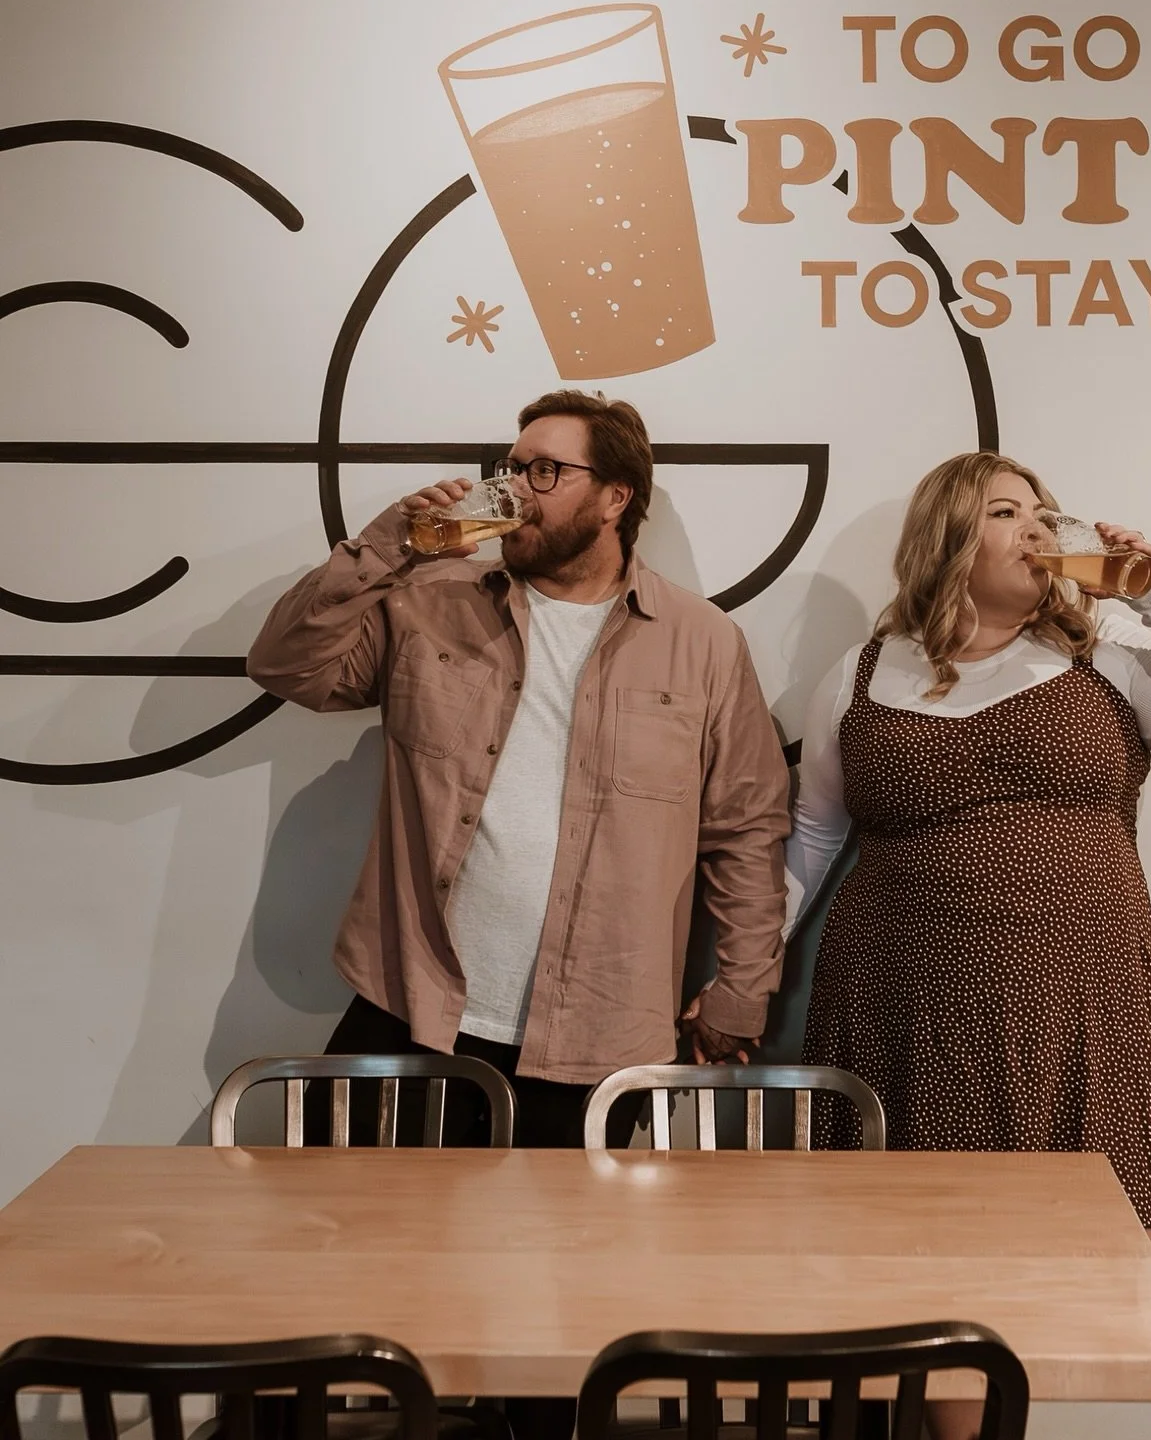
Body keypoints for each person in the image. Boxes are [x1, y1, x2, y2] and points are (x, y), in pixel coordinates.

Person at [787, 451, 1151, 1434]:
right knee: (931, 1307)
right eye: (1009, 512)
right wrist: (745, 981)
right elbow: (813, 838)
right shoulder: (866, 672)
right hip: (904, 1018)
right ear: (950, 538)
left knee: (1060, 1305)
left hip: (1078, 1017)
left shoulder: (1107, 656)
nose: (1041, 529)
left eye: (1048, 511)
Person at [247, 388, 790, 1149]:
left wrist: (743, 987)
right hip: (410, 1007)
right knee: (356, 1249)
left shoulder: (703, 643)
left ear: (614, 498)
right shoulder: (431, 604)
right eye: (511, 466)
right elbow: (285, 666)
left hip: (598, 1041)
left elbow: (746, 830)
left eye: (546, 471)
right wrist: (387, 547)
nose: (514, 489)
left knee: (548, 1267)